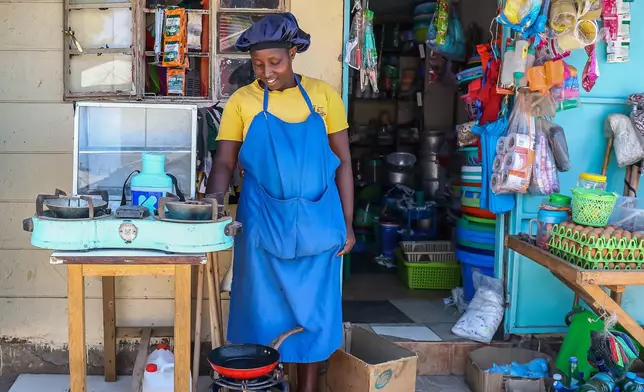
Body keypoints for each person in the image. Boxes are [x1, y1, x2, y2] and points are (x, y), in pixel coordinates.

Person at [206, 12, 355, 392]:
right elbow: (224, 160)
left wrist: (349, 224)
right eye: (258, 64)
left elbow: (343, 163)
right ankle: (263, 385)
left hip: (320, 222)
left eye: (275, 62)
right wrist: (210, 206)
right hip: (262, 225)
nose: (266, 72)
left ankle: (306, 388)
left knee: (314, 315)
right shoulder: (243, 100)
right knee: (262, 313)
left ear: (292, 53)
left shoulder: (323, 96)